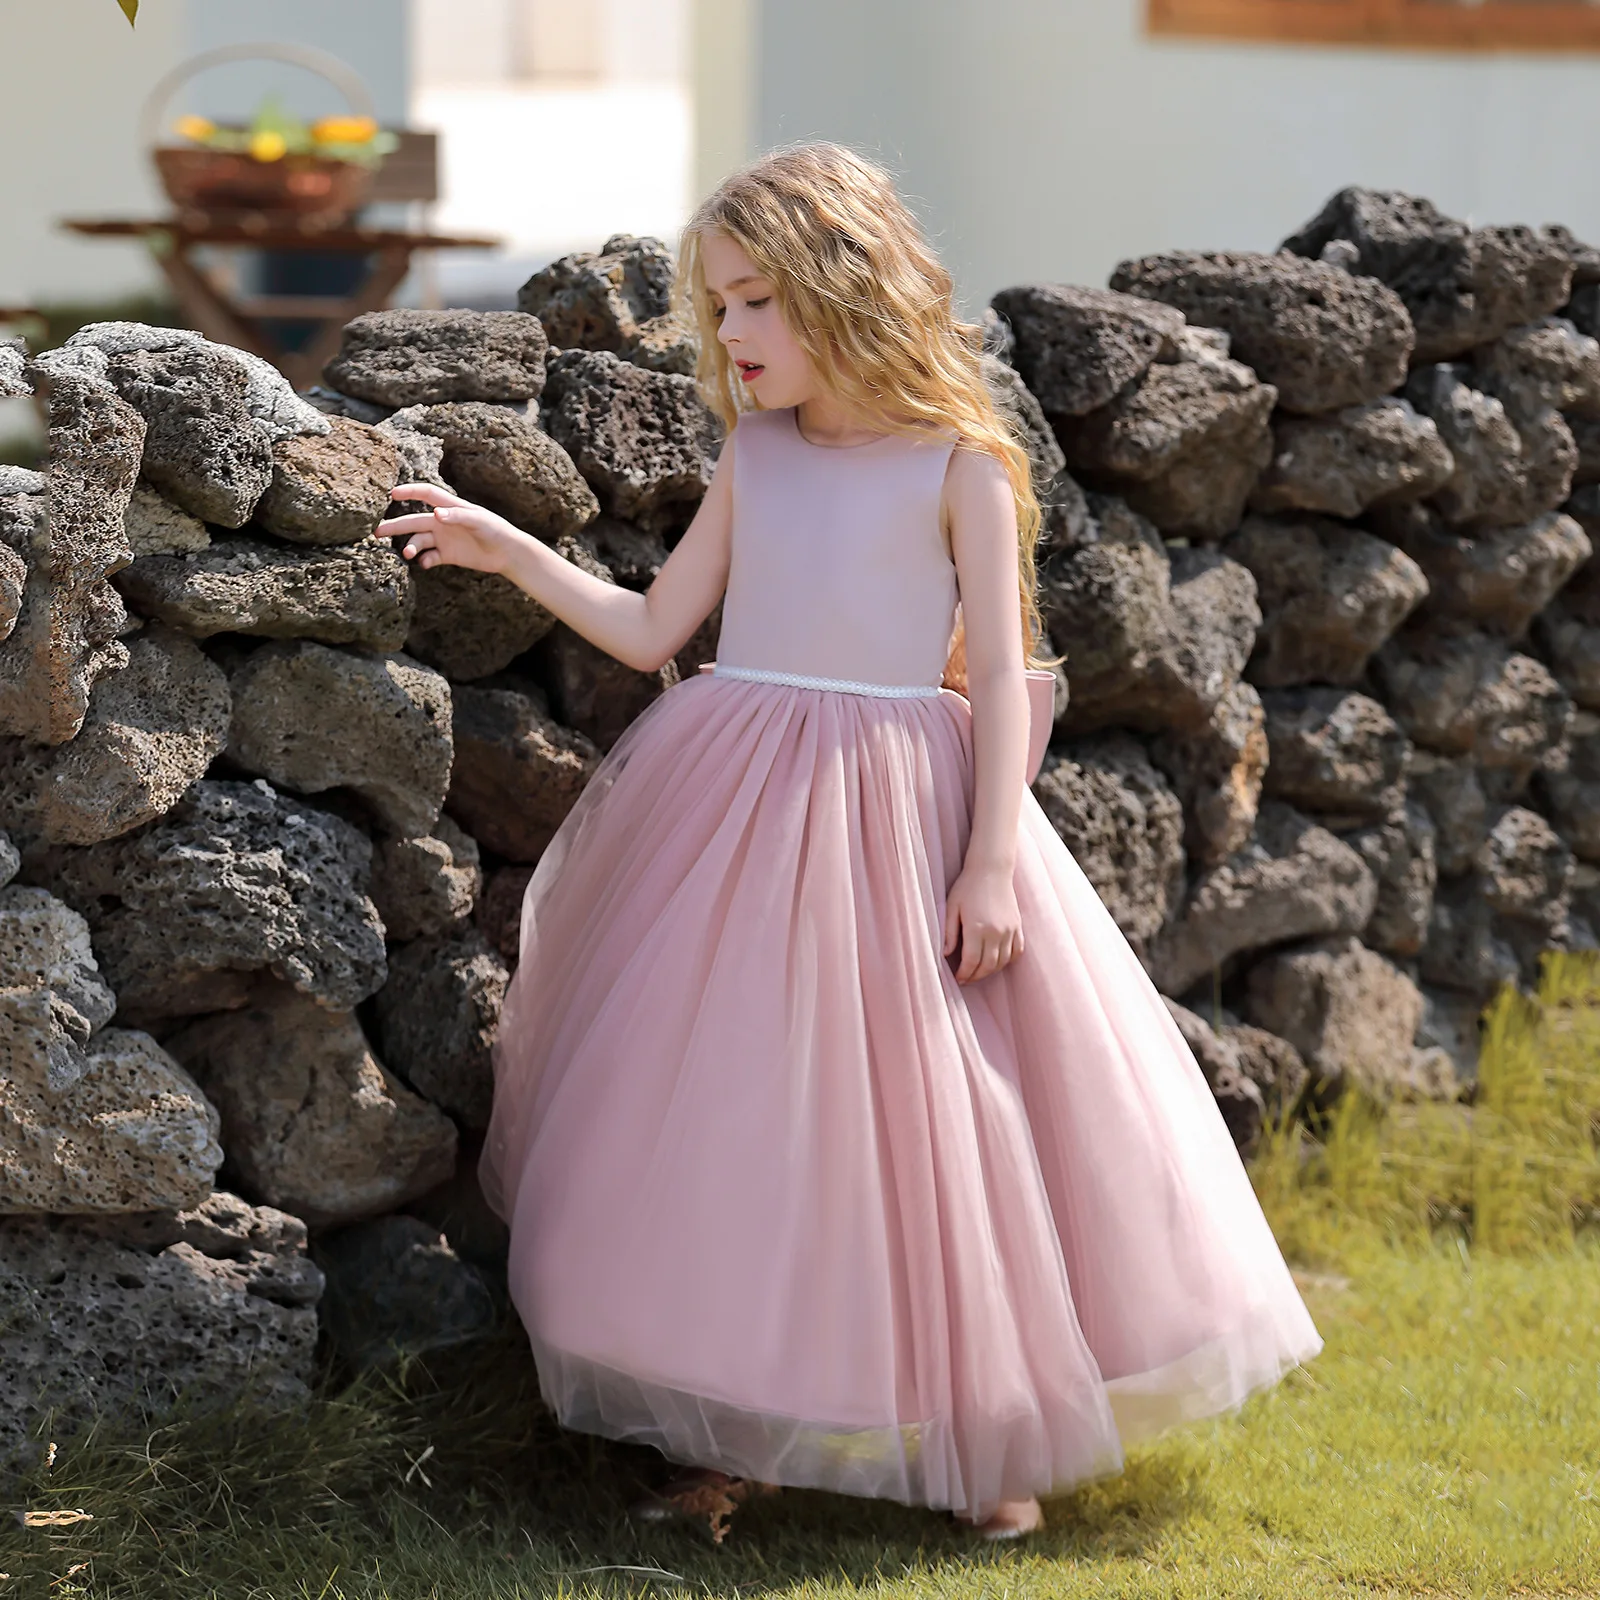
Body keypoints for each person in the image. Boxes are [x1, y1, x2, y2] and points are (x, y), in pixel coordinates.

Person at [374, 141, 1323, 1545]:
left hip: (902, 809)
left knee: (941, 1127)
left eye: (759, 303)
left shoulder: (963, 461)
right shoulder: (756, 453)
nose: (735, 338)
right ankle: (720, 1427)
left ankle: (986, 1434)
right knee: (728, 1123)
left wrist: (991, 856)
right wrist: (505, 543)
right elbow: (652, 630)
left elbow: (999, 677)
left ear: (840, 285)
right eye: (721, 309)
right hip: (738, 810)